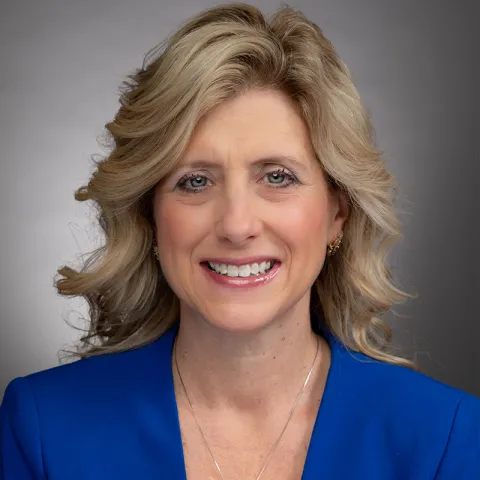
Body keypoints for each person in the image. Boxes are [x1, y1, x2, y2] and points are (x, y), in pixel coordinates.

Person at [1, 3, 479, 479]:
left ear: (338, 213)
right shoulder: (43, 427)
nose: (236, 224)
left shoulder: (445, 437)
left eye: (277, 176)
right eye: (195, 182)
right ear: (149, 216)